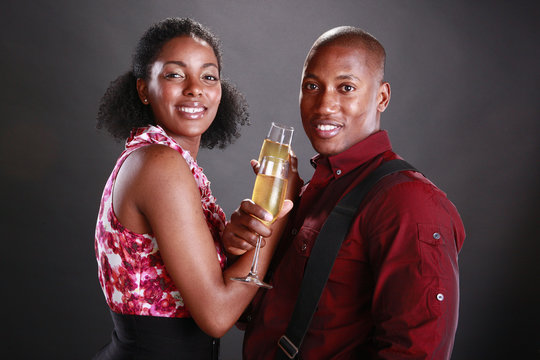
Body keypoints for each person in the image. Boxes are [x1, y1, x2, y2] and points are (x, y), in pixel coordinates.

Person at [222, 26, 466, 359]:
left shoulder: (409, 201)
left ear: (381, 97)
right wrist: (241, 247)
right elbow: (268, 313)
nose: (324, 104)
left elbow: (415, 351)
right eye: (312, 86)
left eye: (346, 87)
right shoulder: (309, 190)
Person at [93, 17, 294, 359]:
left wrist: (233, 247)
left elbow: (226, 298)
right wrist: (279, 213)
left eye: (209, 76)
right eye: (175, 74)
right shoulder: (158, 164)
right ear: (143, 89)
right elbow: (217, 315)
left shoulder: (169, 161)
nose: (195, 88)